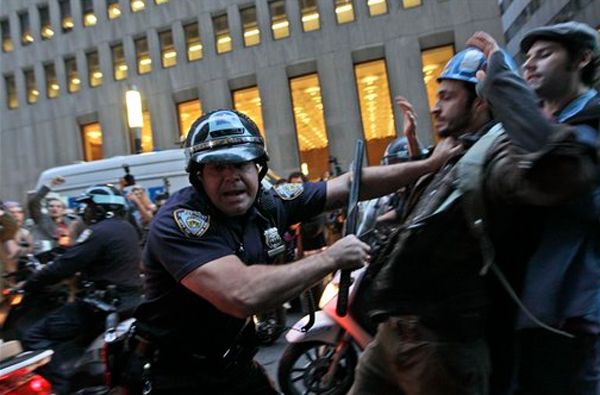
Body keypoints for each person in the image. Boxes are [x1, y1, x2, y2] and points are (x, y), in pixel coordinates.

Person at [130, 109, 460, 394]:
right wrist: (330, 257)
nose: (231, 177)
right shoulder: (180, 221)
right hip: (176, 379)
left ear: (258, 167)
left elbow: (349, 185)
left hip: (234, 366)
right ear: (199, 176)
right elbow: (241, 293)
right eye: (217, 167)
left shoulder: (269, 201)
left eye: (241, 164)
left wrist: (428, 165)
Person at [348, 40, 597, 395]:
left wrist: (504, 83)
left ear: (480, 100)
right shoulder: (452, 152)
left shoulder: (498, 154)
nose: (435, 108)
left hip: (441, 345)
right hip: (392, 334)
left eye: (447, 97)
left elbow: (561, 172)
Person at [469, 23, 600, 394]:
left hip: (573, 307)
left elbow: (556, 167)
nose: (530, 65)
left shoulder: (591, 120)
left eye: (544, 55)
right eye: (526, 58)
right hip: (531, 308)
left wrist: (501, 78)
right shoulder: (541, 119)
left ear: (582, 59)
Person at [21, 184, 143, 394]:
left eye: (89, 207)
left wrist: (30, 284)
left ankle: (61, 386)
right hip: (128, 302)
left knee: (34, 336)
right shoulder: (127, 228)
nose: (85, 212)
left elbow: (65, 265)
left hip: (100, 307)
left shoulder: (98, 232)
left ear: (100, 209)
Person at [27, 176, 72, 250]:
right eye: (51, 206)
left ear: (63, 210)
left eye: (58, 206)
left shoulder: (69, 222)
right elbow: (34, 201)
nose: (54, 208)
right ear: (47, 209)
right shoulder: (41, 218)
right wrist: (51, 184)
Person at [1, 201, 34, 277]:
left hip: (23, 274)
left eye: (19, 212)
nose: (16, 215)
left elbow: (31, 253)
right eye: (12, 212)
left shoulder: (26, 233)